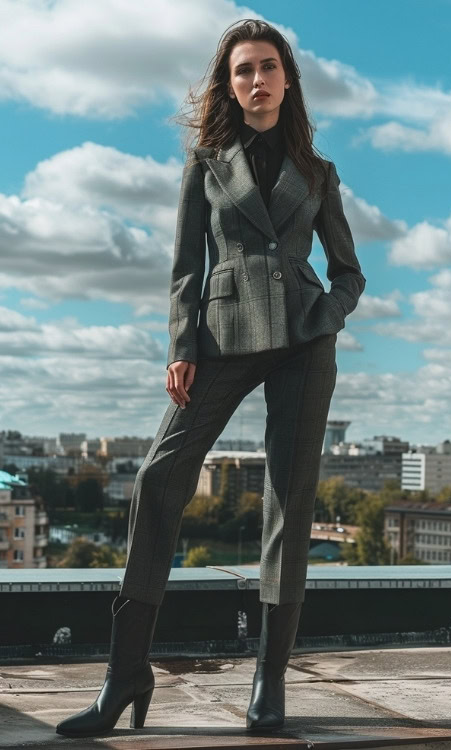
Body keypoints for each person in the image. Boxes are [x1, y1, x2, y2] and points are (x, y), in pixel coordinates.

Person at [56, 17, 366, 738]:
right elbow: (184, 266)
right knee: (159, 481)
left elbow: (350, 270)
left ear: (287, 80)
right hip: (220, 338)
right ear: (229, 85)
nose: (256, 80)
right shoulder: (206, 160)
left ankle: (269, 683)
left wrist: (330, 314)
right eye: (241, 71)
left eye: (267, 67)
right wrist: (180, 344)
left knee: (291, 505)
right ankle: (125, 674)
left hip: (302, 340)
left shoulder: (319, 175)